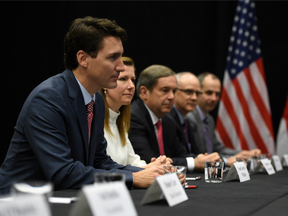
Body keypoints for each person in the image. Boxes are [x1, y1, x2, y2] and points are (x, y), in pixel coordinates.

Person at [0, 17, 161, 195]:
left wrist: (149, 173)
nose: (121, 67)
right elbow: (63, 172)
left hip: (61, 197)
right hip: (18, 202)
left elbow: (100, 161)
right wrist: (134, 179)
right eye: (113, 57)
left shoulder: (97, 100)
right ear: (83, 58)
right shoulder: (48, 98)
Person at [128, 65, 220, 173]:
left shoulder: (167, 120)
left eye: (174, 91)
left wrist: (201, 159)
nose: (171, 97)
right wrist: (195, 163)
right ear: (144, 92)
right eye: (165, 90)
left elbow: (181, 154)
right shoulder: (134, 117)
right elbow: (149, 161)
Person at [100, 56, 172, 168]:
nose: (131, 86)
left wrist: (156, 166)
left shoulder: (120, 122)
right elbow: (104, 167)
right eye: (123, 79)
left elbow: (133, 161)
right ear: (105, 84)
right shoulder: (94, 121)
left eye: (132, 80)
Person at [186, 72, 261, 166]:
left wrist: (242, 154)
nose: (214, 98)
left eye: (217, 94)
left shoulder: (209, 119)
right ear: (198, 92)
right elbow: (200, 153)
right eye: (209, 93)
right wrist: (226, 161)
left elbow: (218, 149)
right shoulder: (189, 117)